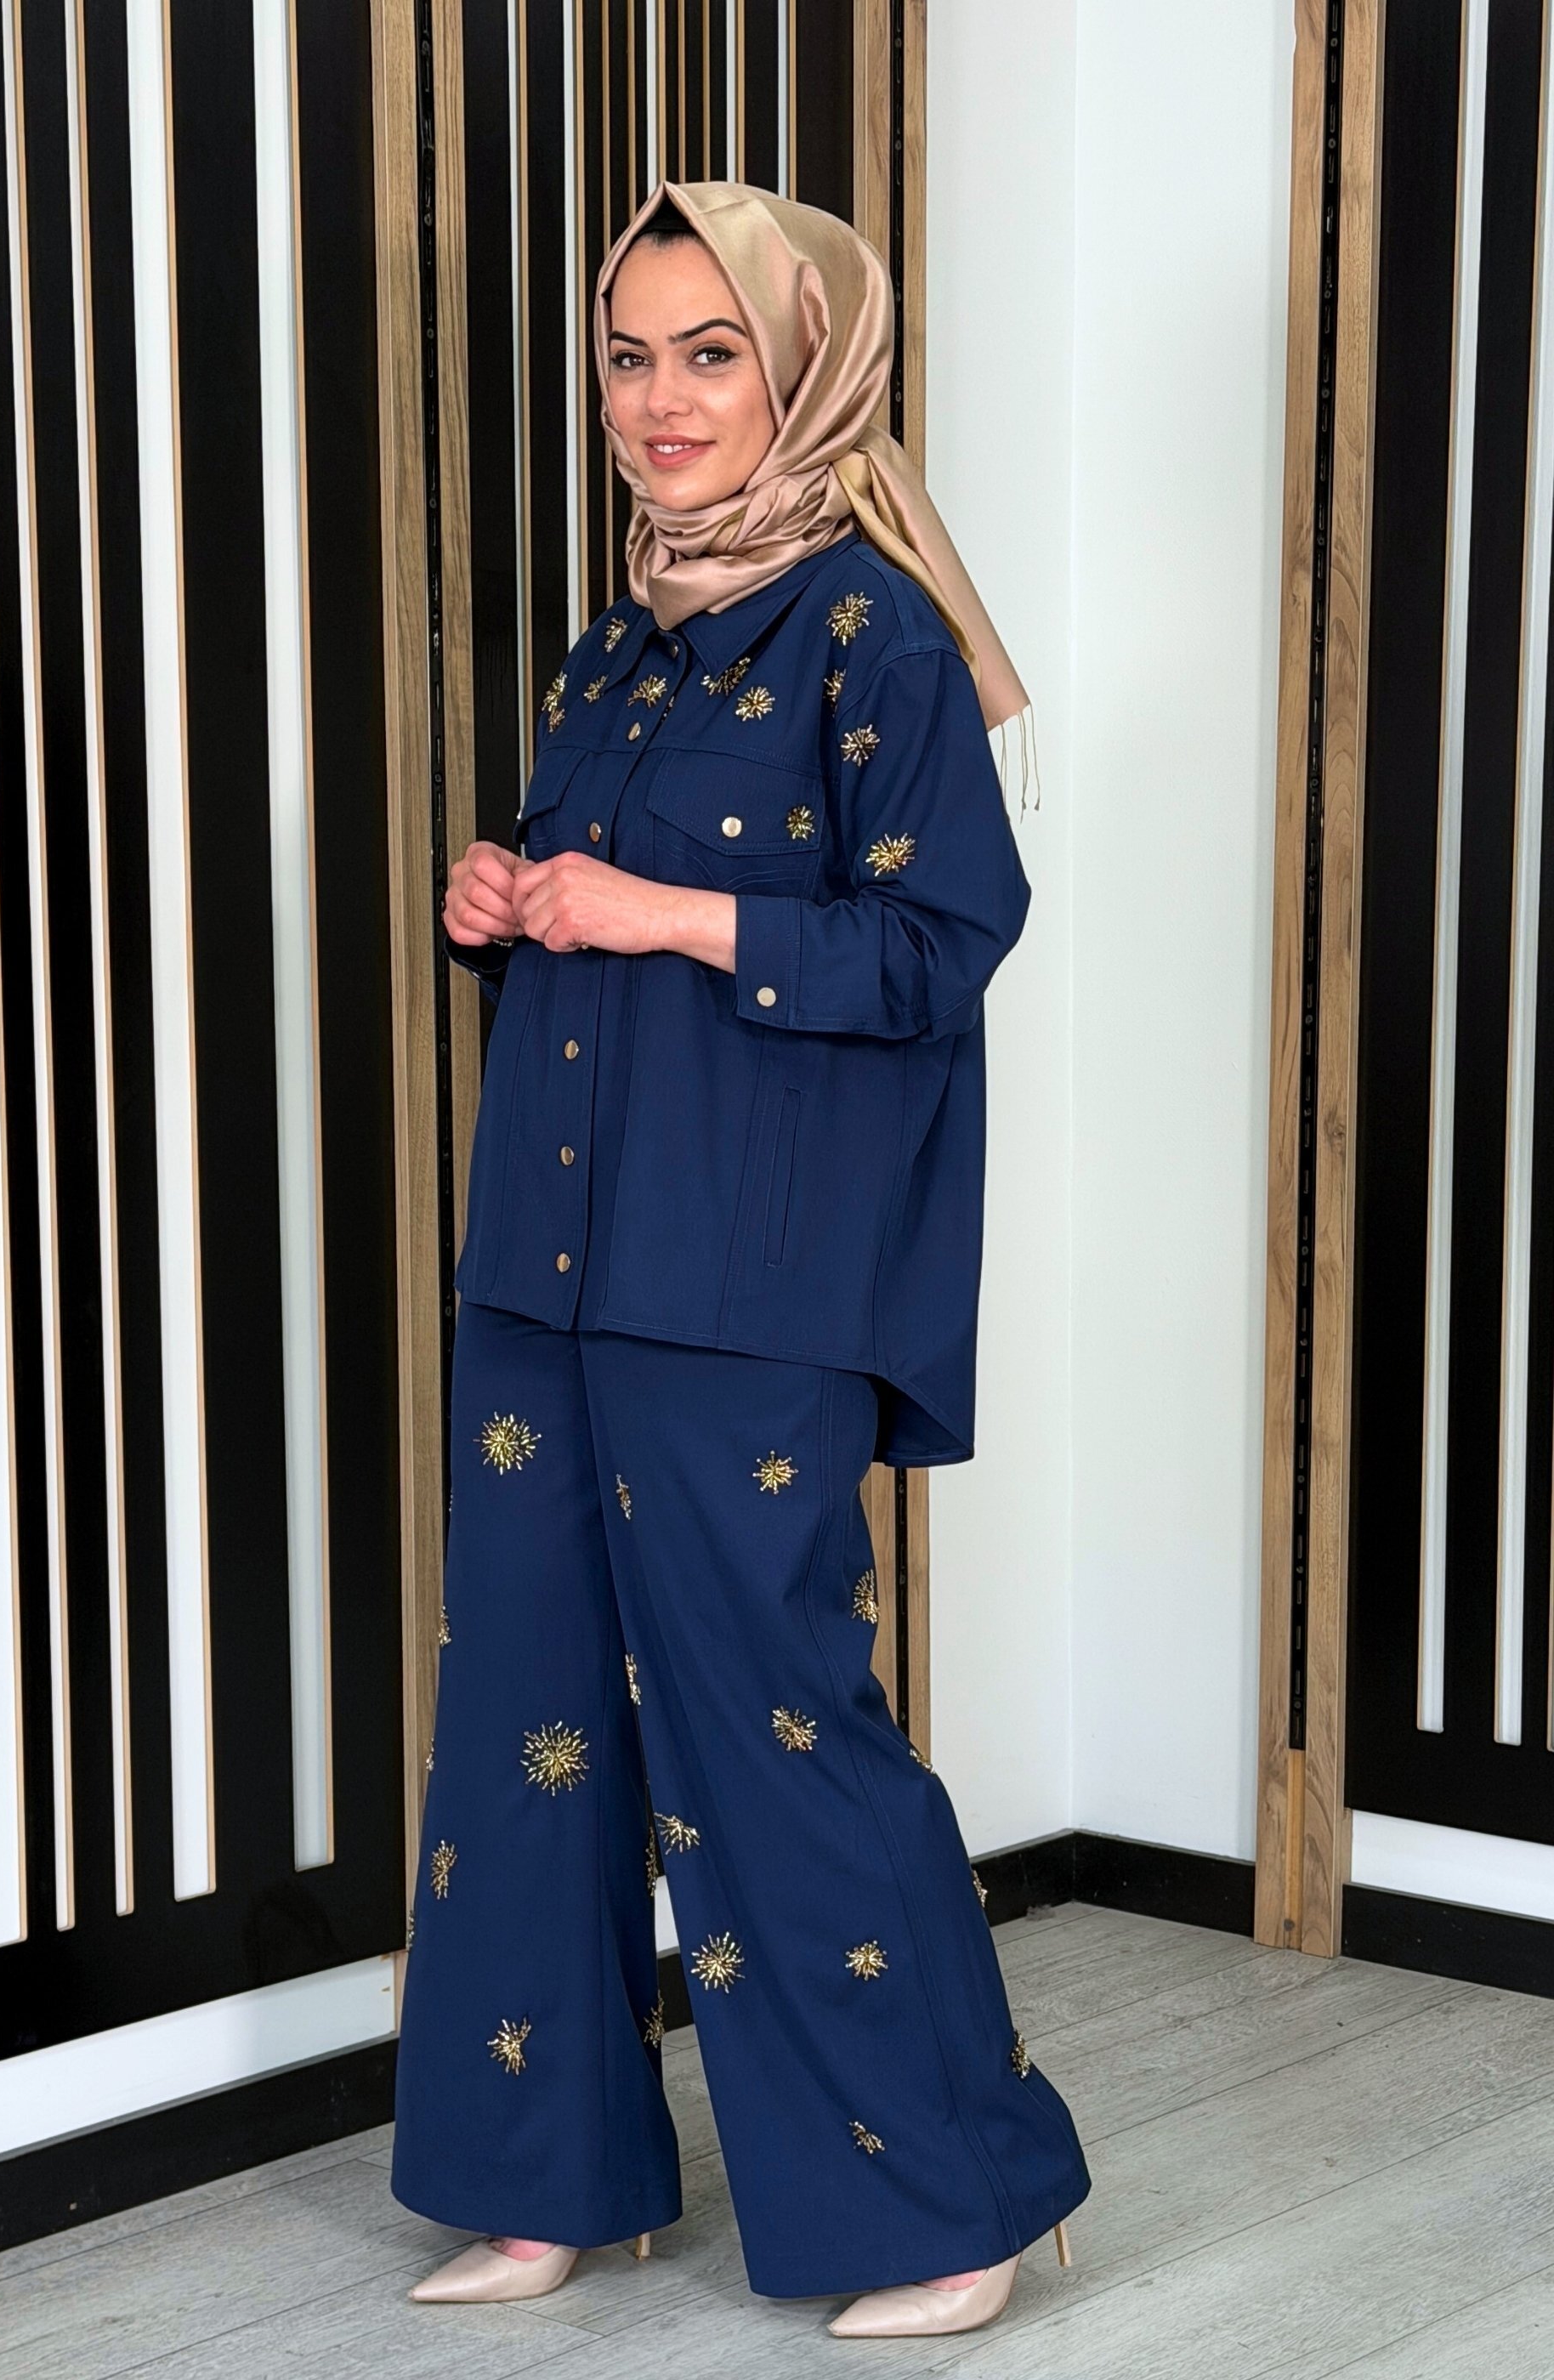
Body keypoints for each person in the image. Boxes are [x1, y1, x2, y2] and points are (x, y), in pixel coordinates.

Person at [390, 176, 1091, 2342]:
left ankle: (956, 2195)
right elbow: (609, 942)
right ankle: (548, 2173)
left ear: (810, 365)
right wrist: (511, 910)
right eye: (629, 354)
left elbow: (940, 942)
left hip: (743, 1277)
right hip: (550, 1261)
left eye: (713, 352)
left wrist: (660, 912)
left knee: (771, 1722)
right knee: (519, 1715)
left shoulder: (873, 627)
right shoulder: (621, 633)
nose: (661, 399)